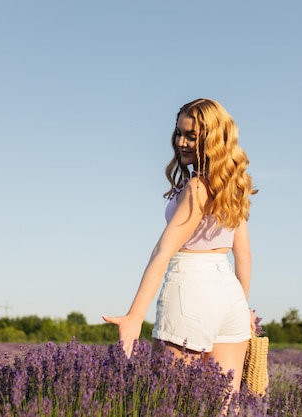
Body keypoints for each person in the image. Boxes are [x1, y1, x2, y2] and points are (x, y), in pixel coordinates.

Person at [103, 98, 258, 392]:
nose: (181, 142)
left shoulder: (197, 187)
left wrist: (134, 317)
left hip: (190, 288)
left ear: (212, 140)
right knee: (225, 407)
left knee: (169, 401)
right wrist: (244, 307)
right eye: (179, 133)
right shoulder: (235, 187)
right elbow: (244, 255)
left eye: (191, 136)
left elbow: (163, 251)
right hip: (230, 296)